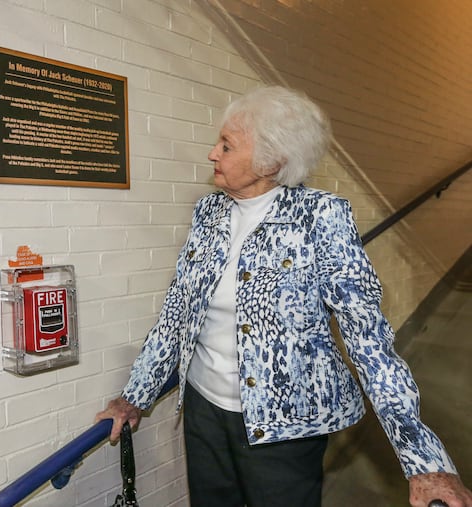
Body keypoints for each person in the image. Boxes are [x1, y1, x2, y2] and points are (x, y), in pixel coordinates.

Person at [95, 86, 472, 507]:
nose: (212, 154)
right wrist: (134, 396)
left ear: (271, 161)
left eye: (227, 145)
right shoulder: (209, 212)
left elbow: (369, 341)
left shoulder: (321, 217)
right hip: (204, 412)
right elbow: (177, 314)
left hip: (286, 427)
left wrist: (424, 461)